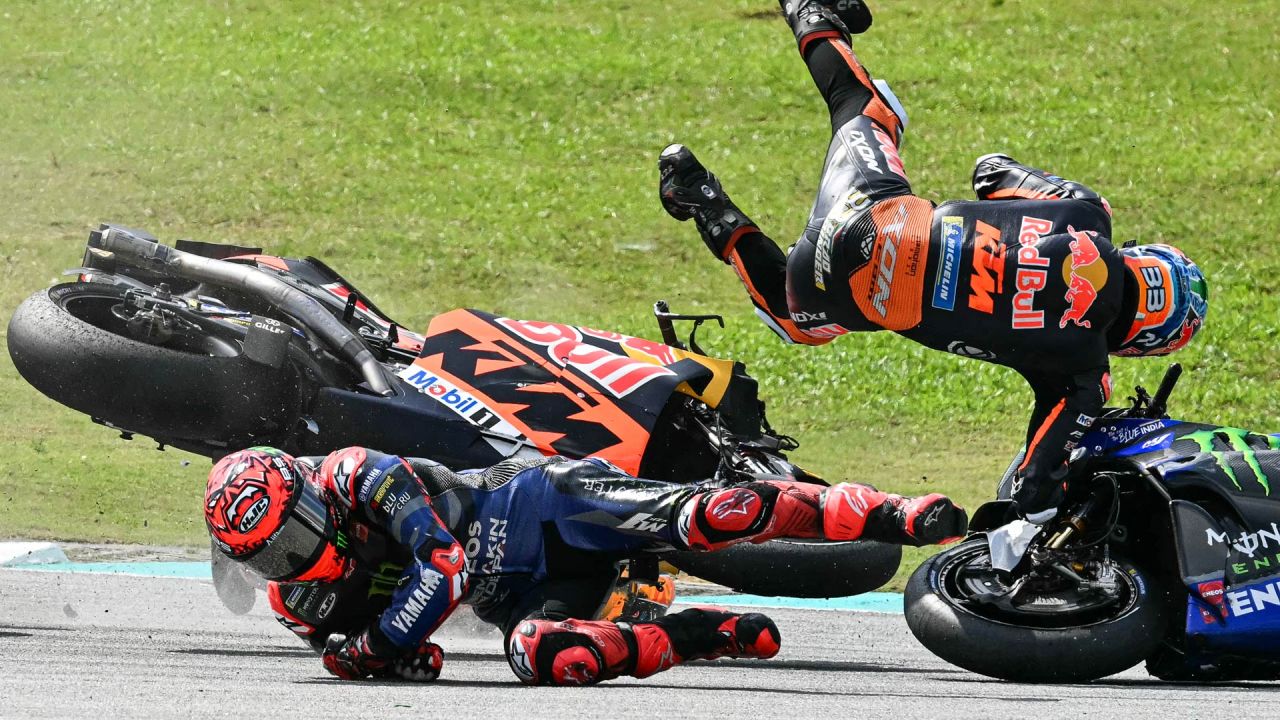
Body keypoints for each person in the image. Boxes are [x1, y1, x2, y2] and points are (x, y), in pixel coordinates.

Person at [658, 0, 1209, 523]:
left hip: (869, 210)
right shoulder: (1084, 373)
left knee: (863, 108)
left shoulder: (1090, 215)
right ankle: (708, 206)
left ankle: (809, 13)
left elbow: (990, 171)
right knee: (791, 319)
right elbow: (1036, 477)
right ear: (1142, 342)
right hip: (828, 285)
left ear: (1145, 257)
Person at [204, 446, 966, 685]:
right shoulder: (299, 605)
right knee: (542, 658)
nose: (293, 558)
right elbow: (421, 664)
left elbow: (439, 567)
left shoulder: (355, 474)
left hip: (546, 506)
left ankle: (886, 511)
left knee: (703, 514)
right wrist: (379, 658)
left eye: (295, 534)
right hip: (542, 591)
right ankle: (698, 634)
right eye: (271, 555)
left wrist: (372, 650)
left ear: (311, 496)